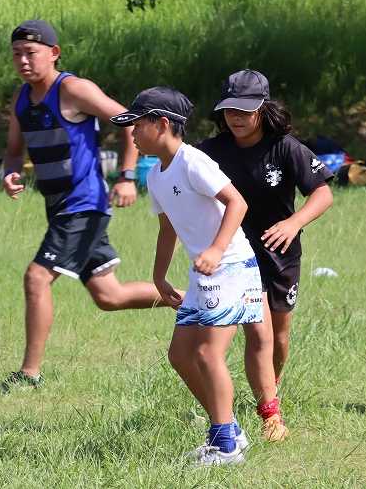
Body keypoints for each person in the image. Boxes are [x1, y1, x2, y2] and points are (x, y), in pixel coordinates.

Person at [0, 20, 170, 392]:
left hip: (84, 205)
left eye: (31, 53)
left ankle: (29, 375)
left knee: (36, 278)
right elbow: (13, 152)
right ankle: (196, 301)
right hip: (59, 208)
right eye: (16, 54)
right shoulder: (21, 99)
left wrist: (127, 176)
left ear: (54, 53)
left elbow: (129, 123)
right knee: (110, 296)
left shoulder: (73, 89)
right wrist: (10, 173)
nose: (23, 61)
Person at [111, 86, 262, 466]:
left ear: (162, 124)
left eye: (137, 125)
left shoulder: (193, 161)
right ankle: (228, 430)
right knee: (180, 356)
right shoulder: (155, 176)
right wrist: (159, 277)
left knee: (208, 353)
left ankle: (225, 446)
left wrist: (216, 250)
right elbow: (168, 229)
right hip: (203, 274)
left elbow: (237, 203)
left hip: (230, 266)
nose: (131, 133)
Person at [199, 69, 333, 427]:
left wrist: (294, 223)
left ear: (263, 108)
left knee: (279, 335)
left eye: (245, 109)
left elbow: (322, 193)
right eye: (230, 109)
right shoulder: (210, 152)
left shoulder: (285, 147)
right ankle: (269, 412)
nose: (236, 117)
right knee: (257, 331)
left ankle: (271, 387)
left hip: (280, 252)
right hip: (234, 254)